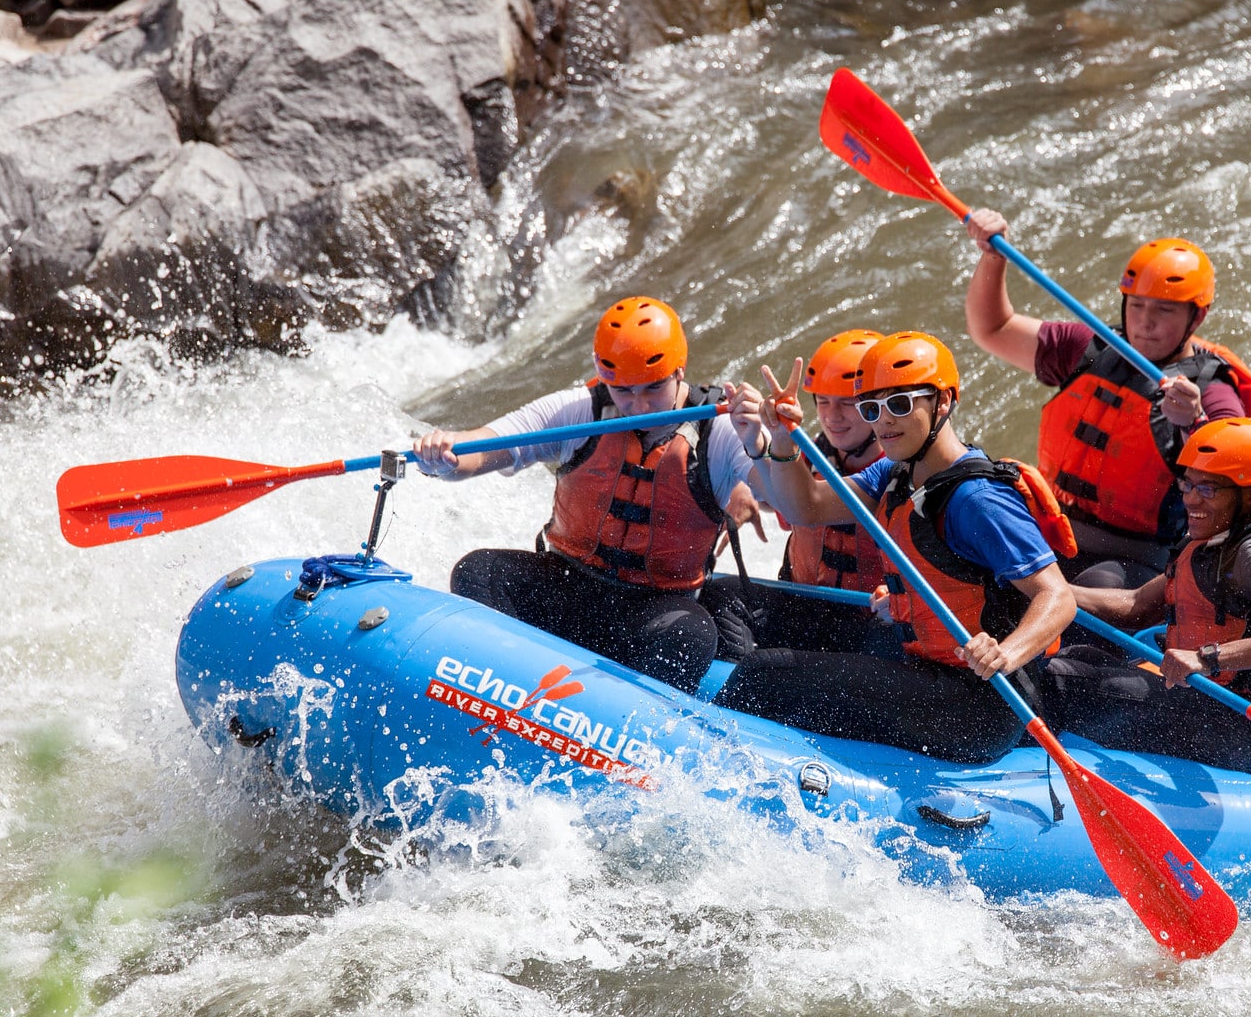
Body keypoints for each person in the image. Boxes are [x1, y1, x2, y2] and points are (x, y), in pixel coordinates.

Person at [716, 331, 1079, 763]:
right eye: (872, 409)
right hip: (929, 674)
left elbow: (1057, 597)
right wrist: (777, 439)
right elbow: (806, 508)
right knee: (774, 672)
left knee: (763, 675)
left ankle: (719, 767)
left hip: (979, 705)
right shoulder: (894, 473)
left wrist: (1005, 653)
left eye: (900, 404)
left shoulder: (977, 499)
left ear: (943, 402)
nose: (884, 421)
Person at [412, 296, 756, 692]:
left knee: (693, 634)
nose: (638, 405)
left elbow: (785, 500)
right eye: (623, 391)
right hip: (568, 585)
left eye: (654, 389)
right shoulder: (582, 411)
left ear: (679, 371)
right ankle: (507, 689)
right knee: (480, 571)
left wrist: (767, 445)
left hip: (651, 608)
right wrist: (445, 456)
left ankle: (627, 726)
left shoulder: (720, 430)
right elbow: (488, 444)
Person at [964, 209, 1251, 588]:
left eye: (1164, 310)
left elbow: (1243, 486)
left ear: (1197, 317)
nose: (1144, 322)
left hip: (1134, 561)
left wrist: (1196, 423)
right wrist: (993, 258)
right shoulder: (1086, 349)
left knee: (1092, 588)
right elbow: (993, 328)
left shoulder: (1212, 392)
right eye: (1136, 305)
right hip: (1052, 532)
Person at [1044, 419, 1251, 772]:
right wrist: (1049, 590)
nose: (1190, 499)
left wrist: (1208, 658)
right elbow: (1136, 606)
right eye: (1187, 484)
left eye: (1208, 489)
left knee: (1057, 678)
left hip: (1241, 726)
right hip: (1203, 700)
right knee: (1080, 655)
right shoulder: (1213, 539)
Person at [701, 329, 898, 661]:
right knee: (721, 595)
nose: (833, 417)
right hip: (803, 603)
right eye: (823, 401)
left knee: (890, 644)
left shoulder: (900, 472)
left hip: (868, 624)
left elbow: (804, 508)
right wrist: (749, 461)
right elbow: (777, 501)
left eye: (847, 403)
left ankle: (767, 676)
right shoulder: (809, 449)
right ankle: (747, 677)